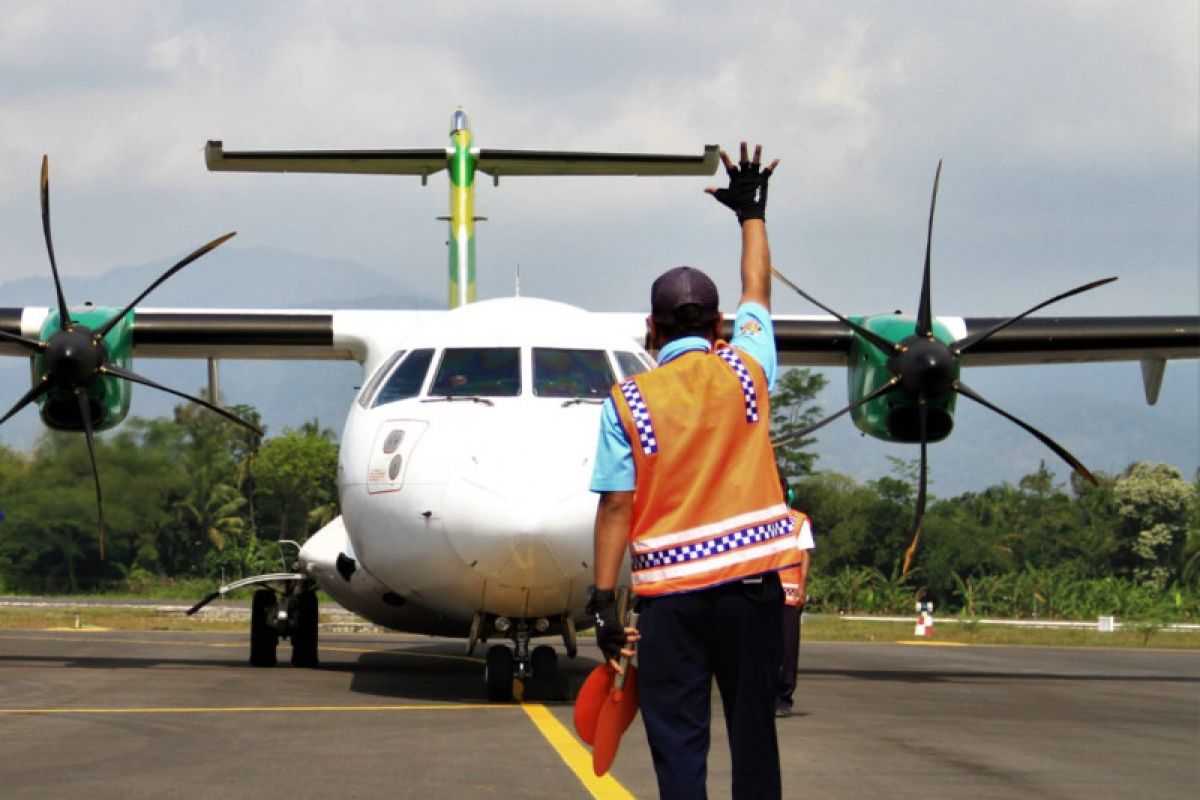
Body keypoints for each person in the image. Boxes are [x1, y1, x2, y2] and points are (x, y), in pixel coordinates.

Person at [588, 142, 803, 799]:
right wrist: (751, 213)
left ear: (651, 328)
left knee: (679, 747)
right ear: (718, 325)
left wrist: (602, 602)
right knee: (754, 743)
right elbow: (758, 290)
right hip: (751, 595)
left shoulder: (626, 401)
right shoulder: (748, 367)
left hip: (670, 606)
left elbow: (617, 509)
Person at [776, 509, 814, 718]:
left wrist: (802, 585)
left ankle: (783, 697)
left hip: (788, 593)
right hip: (760, 593)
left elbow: (805, 553)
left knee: (788, 647)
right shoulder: (758, 517)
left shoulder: (798, 521)